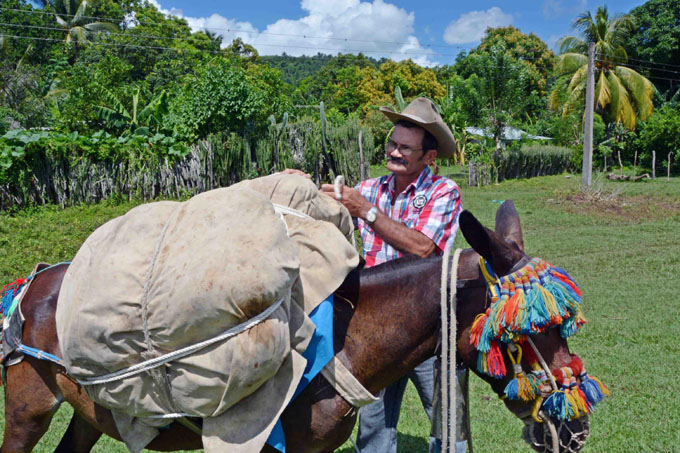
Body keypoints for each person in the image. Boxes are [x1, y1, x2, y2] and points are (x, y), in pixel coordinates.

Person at [318, 97, 466, 453]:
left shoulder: (443, 192)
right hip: (377, 326)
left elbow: (423, 249)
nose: (394, 152)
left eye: (405, 148)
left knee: (447, 419)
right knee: (373, 421)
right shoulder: (369, 189)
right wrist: (307, 188)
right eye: (392, 144)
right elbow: (326, 212)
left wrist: (366, 213)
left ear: (429, 157)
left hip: (431, 328)